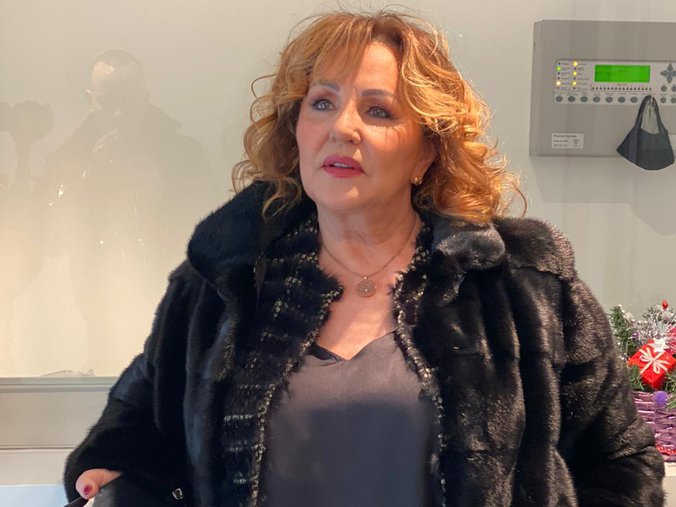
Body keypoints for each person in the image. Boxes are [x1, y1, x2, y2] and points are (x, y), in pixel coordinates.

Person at [63, 11, 665, 506]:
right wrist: (112, 475)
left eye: (378, 110)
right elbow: (138, 428)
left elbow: (622, 460)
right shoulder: (225, 281)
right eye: (322, 103)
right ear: (295, 129)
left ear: (427, 151)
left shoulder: (522, 283)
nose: (342, 128)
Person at [44, 50, 220, 374]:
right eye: (107, 101)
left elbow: (216, 243)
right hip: (93, 321)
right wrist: (86, 188)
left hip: (173, 317)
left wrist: (161, 197)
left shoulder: (185, 156)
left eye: (128, 101)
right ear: (89, 100)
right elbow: (48, 242)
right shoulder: (67, 161)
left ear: (145, 98)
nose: (118, 113)